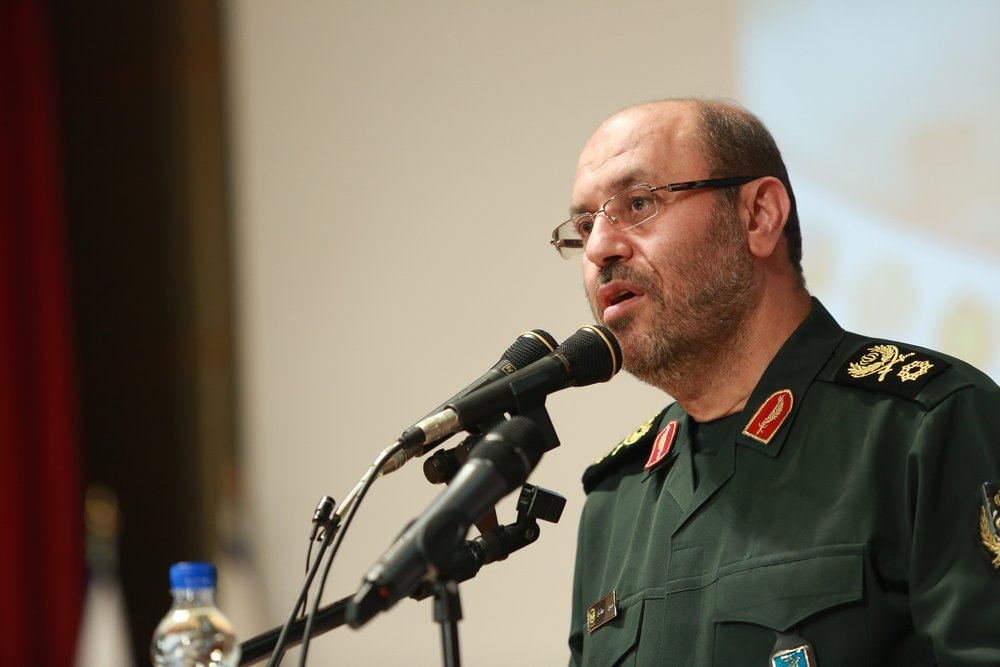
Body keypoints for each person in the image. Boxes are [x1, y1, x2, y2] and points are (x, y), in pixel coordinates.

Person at [554, 98, 1000, 666]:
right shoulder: (615, 500)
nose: (599, 249)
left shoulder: (925, 425)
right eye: (585, 226)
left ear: (758, 216)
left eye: (639, 204)